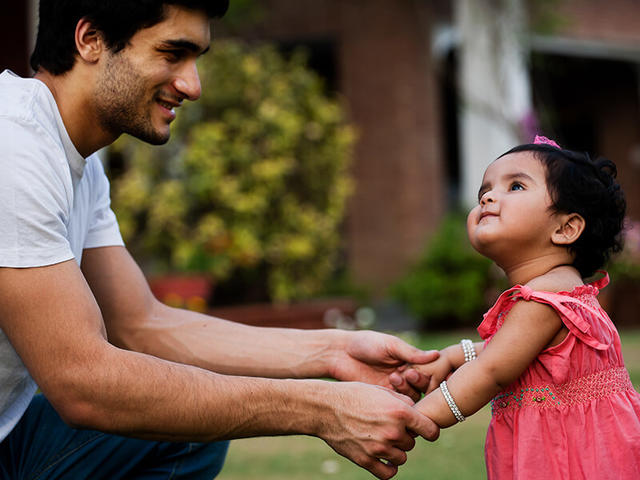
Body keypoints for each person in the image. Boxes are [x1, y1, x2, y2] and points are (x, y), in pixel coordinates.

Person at [0, 1, 440, 478]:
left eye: (196, 59)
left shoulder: (78, 162)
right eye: (172, 53)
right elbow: (82, 382)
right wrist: (321, 408)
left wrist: (333, 353)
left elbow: (141, 325)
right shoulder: (14, 147)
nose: (193, 85)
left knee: (186, 425)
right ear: (90, 40)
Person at [411, 135, 640, 478]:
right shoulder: (561, 288)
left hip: (570, 457)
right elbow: (523, 354)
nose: (488, 196)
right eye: (483, 191)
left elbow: (492, 371)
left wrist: (416, 417)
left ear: (565, 228)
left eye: (515, 186)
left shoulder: (545, 298)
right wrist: (453, 355)